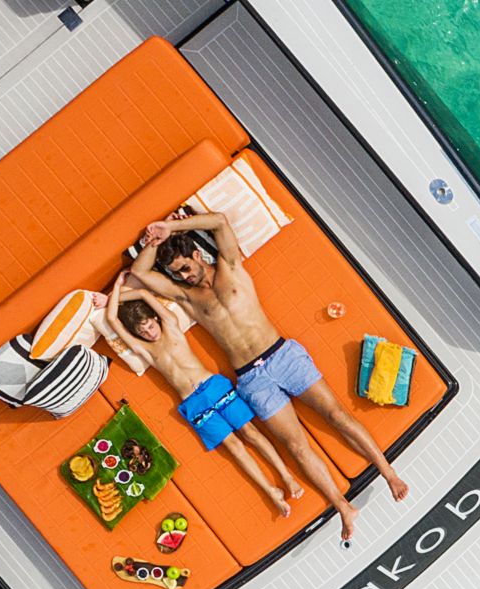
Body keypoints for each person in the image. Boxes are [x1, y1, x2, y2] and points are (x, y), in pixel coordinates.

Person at [127, 211, 409, 541]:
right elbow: (139, 271)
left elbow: (218, 221)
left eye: (185, 268)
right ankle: (344, 507)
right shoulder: (187, 297)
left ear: (196, 254)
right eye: (176, 274)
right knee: (296, 447)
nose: (184, 276)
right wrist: (154, 240)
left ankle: (389, 474)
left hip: (282, 355)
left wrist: (170, 227)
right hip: (251, 379)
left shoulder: (230, 266)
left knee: (337, 415)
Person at [104, 283, 303, 516]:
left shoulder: (171, 327)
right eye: (143, 331)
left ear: (155, 319)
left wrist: (121, 284)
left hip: (213, 386)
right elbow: (113, 320)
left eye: (149, 325)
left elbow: (145, 294)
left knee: (251, 433)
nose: (149, 332)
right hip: (193, 403)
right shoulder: (146, 351)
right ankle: (271, 491)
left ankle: (286, 477)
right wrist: (113, 296)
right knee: (234, 446)